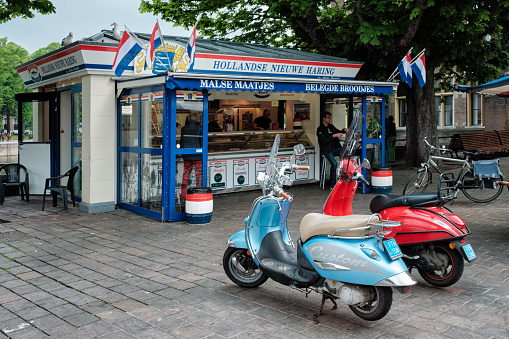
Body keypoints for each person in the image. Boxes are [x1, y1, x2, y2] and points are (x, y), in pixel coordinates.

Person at [317, 111, 348, 188]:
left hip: (335, 148)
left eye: (330, 117)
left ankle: (345, 180)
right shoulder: (320, 129)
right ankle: (333, 184)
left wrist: (343, 130)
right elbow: (323, 141)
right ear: (323, 118)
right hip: (327, 150)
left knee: (347, 156)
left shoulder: (331, 126)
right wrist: (333, 136)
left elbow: (338, 132)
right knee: (334, 164)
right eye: (328, 117)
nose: (329, 119)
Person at [180, 112, 202, 199]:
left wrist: (183, 154)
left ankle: (183, 194)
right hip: (197, 156)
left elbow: (182, 141)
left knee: (185, 176)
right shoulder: (199, 129)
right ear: (196, 119)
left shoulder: (183, 129)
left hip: (186, 155)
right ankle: (199, 193)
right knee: (198, 177)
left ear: (188, 119)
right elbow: (202, 142)